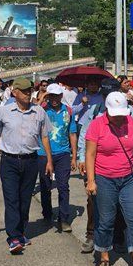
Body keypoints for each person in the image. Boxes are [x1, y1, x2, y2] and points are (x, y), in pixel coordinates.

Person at [85, 91, 133, 266]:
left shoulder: (131, 122)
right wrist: (91, 181)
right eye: (115, 114)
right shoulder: (97, 125)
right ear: (107, 110)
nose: (119, 118)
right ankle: (104, 256)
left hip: (129, 178)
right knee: (106, 220)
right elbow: (90, 155)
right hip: (104, 178)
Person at [0, 77, 53, 255]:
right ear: (14, 93)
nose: (28, 94)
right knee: (12, 199)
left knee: (25, 199)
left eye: (30, 91)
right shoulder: (4, 112)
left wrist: (49, 161)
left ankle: (21, 232)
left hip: (31, 161)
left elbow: (45, 137)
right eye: (24, 91)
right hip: (9, 161)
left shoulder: (39, 112)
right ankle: (13, 237)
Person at [77, 78, 133, 253]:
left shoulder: (130, 113)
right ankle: (92, 235)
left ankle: (118, 237)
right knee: (95, 204)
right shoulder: (94, 112)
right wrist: (81, 157)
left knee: (123, 206)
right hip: (99, 168)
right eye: (106, 94)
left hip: (126, 168)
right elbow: (84, 135)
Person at [37, 83, 78, 232]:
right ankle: (47, 213)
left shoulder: (68, 111)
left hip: (63, 153)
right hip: (43, 153)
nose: (54, 99)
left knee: (63, 186)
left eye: (57, 96)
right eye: (51, 96)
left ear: (61, 96)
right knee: (45, 186)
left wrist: (74, 156)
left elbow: (72, 133)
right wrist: (42, 97)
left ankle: (64, 219)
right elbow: (31, 108)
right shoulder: (41, 110)